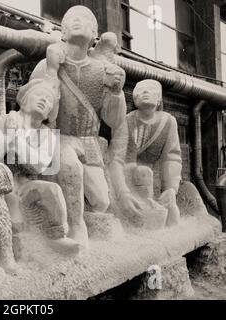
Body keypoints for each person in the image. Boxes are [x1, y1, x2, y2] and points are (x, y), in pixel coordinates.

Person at [30, 6, 138, 247]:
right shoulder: (47, 63)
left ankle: (76, 207)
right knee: (69, 166)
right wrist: (51, 71)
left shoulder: (102, 70)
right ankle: (76, 225)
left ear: (94, 34)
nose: (77, 22)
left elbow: (113, 120)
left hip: (89, 141)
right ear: (63, 32)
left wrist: (116, 92)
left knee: (101, 201)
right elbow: (37, 108)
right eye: (70, 20)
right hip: (58, 136)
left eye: (85, 20)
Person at [0, 78, 81, 255]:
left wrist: (14, 139)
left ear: (49, 112)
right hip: (1, 185)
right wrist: (7, 140)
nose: (43, 100)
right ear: (24, 100)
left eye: (48, 100)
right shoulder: (5, 120)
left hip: (26, 185)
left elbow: (38, 165)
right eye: (39, 94)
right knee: (15, 219)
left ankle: (57, 237)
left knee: (52, 191)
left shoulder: (47, 135)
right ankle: (11, 247)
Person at [120, 79, 182, 226]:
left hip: (158, 175)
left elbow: (172, 156)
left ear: (159, 98)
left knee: (172, 215)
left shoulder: (168, 121)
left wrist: (171, 188)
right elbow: (125, 157)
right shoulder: (127, 121)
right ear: (134, 100)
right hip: (132, 175)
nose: (145, 92)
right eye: (140, 90)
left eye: (151, 89)